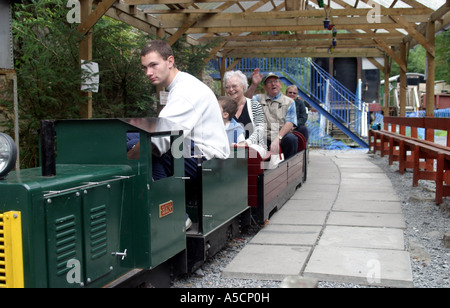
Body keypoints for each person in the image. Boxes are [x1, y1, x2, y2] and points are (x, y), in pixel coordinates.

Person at [128, 40, 230, 182]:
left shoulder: (185, 91)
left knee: (141, 145)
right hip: (199, 152)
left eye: (153, 65)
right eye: (145, 68)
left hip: (208, 161)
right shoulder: (181, 84)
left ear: (170, 61)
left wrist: (125, 164)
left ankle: (162, 198)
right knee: (131, 137)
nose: (148, 72)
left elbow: (159, 138)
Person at [247, 72, 298, 160]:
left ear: (280, 85)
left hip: (281, 134)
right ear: (265, 87)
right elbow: (246, 100)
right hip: (263, 135)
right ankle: (259, 171)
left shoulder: (289, 101)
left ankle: (287, 168)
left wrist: (278, 138)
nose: (273, 84)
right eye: (269, 82)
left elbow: (290, 122)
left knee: (291, 139)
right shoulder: (258, 98)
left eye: (276, 81)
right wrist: (254, 85)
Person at [223, 70, 267, 157]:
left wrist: (246, 143)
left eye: (234, 86)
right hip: (230, 149)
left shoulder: (254, 105)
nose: (231, 90)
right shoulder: (223, 108)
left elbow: (260, 128)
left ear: (243, 86)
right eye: (227, 87)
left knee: (246, 153)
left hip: (252, 147)